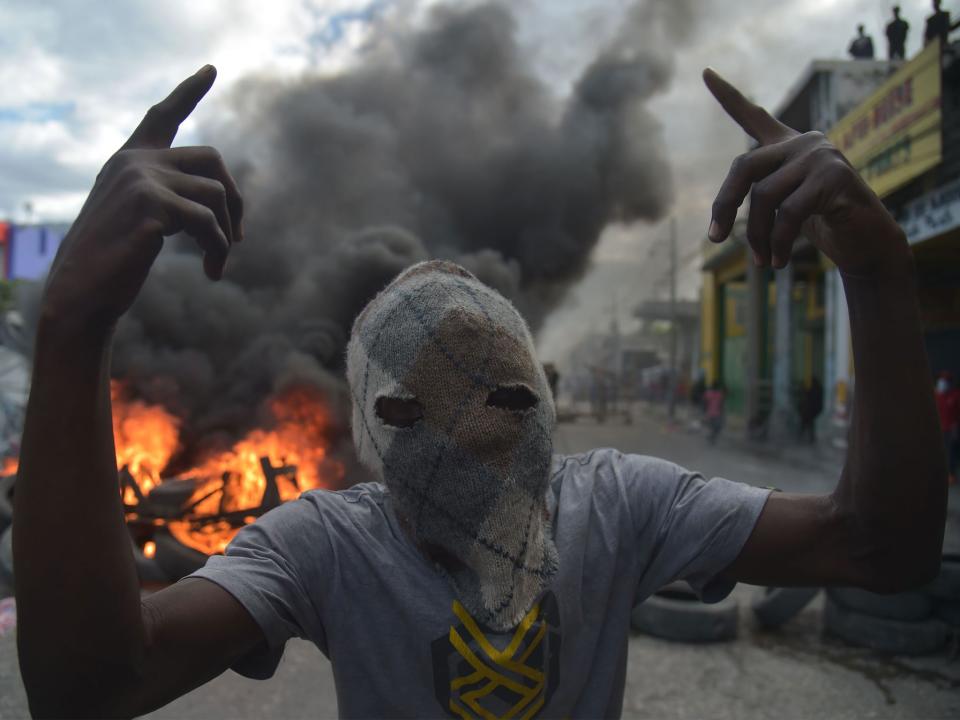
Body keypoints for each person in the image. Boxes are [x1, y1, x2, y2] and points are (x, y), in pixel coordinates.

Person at [14, 66, 947, 718]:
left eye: (499, 398)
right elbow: (92, 685)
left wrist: (876, 275)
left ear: (540, 393)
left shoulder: (618, 506)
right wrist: (72, 330)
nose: (463, 435)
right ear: (372, 432)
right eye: (409, 409)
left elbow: (880, 547)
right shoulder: (329, 544)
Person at [935, 372, 959, 484]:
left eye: (946, 380)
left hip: (951, 429)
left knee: (950, 453)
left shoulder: (955, 395)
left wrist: (956, 427)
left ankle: (951, 474)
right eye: (942, 380)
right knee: (937, 453)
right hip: (937, 429)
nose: (943, 383)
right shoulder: (935, 395)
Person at [798, 376, 824, 444]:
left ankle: (803, 435)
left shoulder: (815, 389)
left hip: (812, 409)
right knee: (809, 423)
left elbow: (808, 394)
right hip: (814, 409)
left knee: (807, 422)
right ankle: (808, 436)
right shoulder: (818, 388)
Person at [703, 380, 726, 445]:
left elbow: (721, 403)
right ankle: (711, 437)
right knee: (716, 427)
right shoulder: (710, 393)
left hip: (714, 413)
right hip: (713, 413)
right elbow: (705, 402)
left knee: (717, 427)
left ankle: (711, 437)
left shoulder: (717, 393)